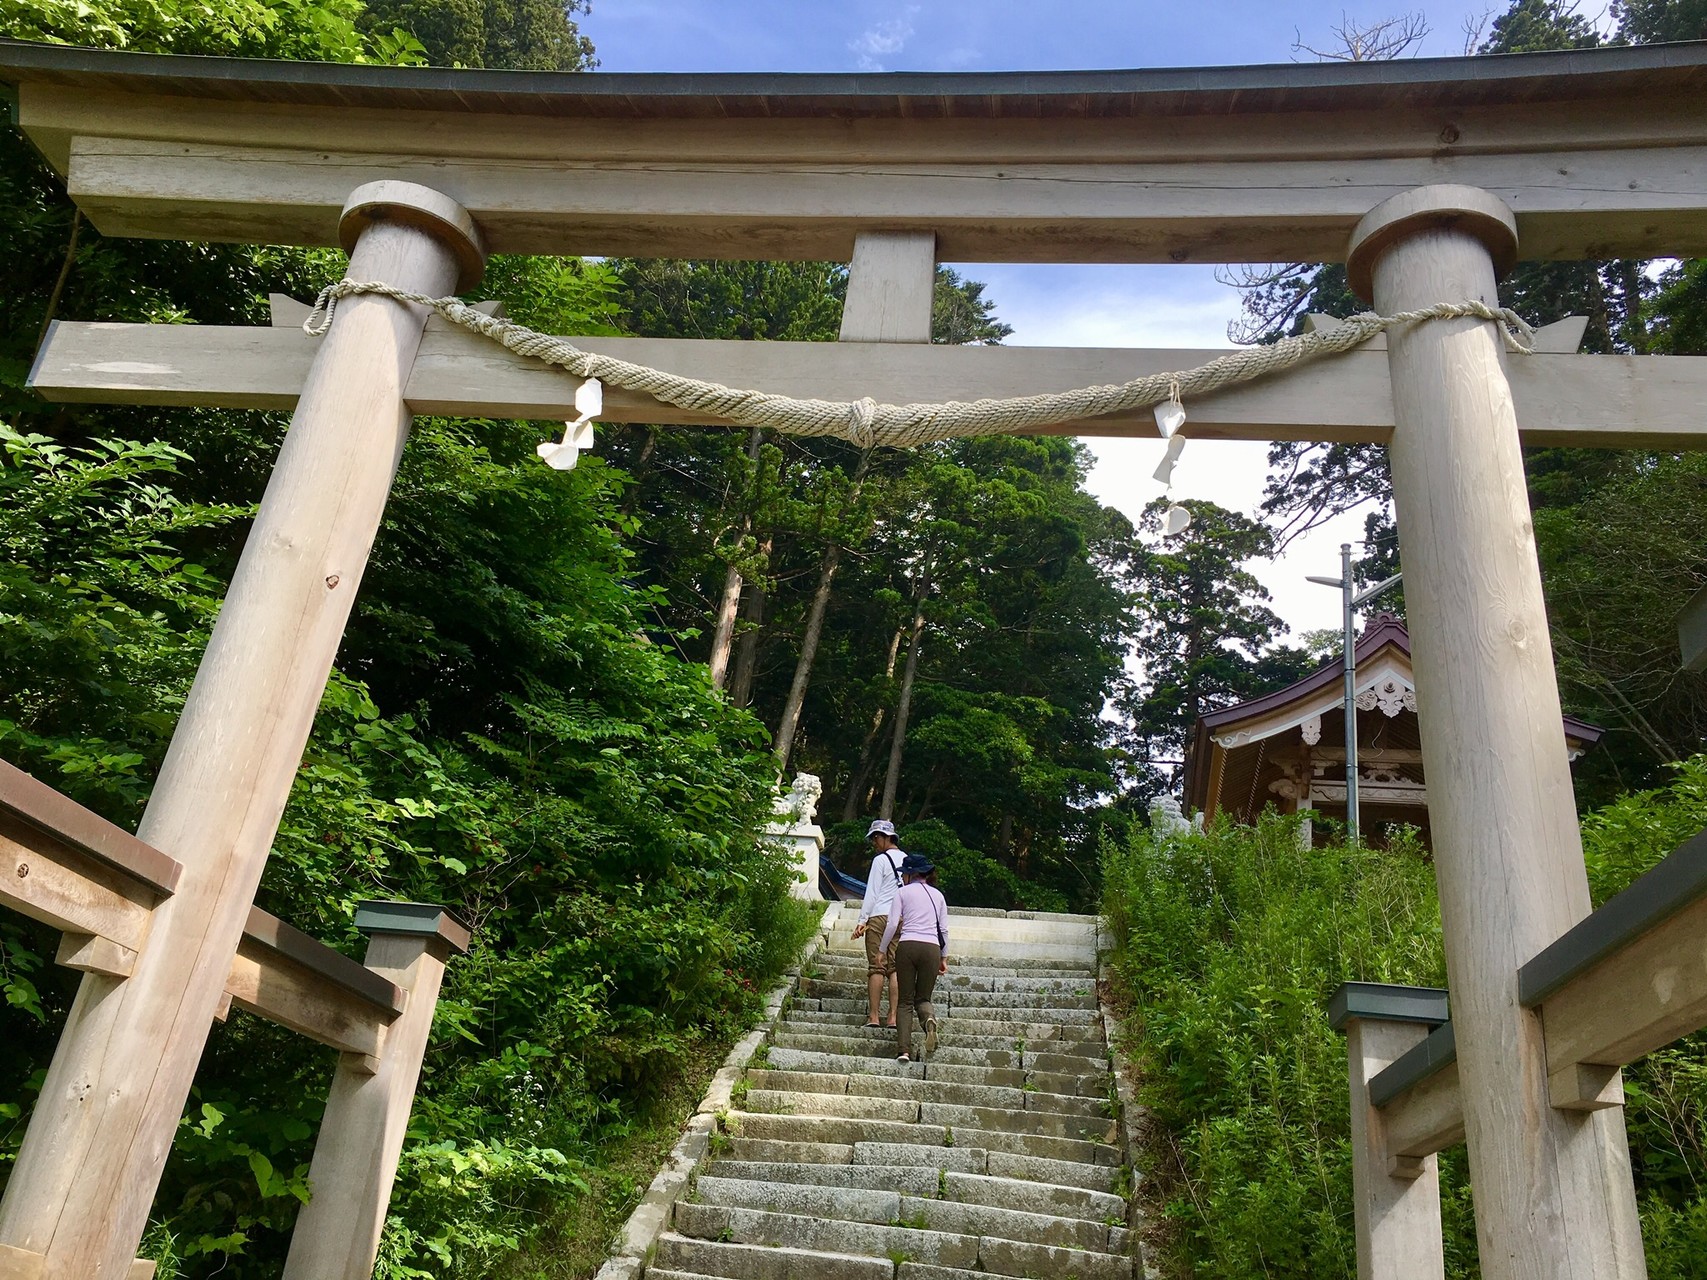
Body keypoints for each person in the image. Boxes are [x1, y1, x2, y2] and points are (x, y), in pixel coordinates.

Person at [878, 853, 949, 1064]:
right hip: (931, 948)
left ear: (911, 874)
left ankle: (904, 1051)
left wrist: (882, 950)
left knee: (905, 1001)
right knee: (923, 998)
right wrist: (943, 957)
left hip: (908, 945)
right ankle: (929, 1020)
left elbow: (892, 924)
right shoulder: (938, 896)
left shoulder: (902, 893)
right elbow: (944, 930)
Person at [851, 818, 905, 1028]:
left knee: (876, 967)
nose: (874, 842)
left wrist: (862, 920)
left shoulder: (880, 860)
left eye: (876, 837)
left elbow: (872, 893)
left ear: (885, 838)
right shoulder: (907, 859)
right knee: (896, 968)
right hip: (900, 917)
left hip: (880, 916)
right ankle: (892, 1017)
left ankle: (874, 1016)